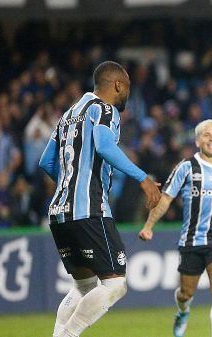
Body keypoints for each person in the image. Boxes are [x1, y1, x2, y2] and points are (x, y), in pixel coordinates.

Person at [39, 61, 161, 337]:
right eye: (127, 87)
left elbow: (46, 162)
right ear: (118, 85)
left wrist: (69, 184)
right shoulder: (104, 110)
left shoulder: (69, 114)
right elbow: (105, 146)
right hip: (88, 209)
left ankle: (59, 334)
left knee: (84, 287)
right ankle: (68, 336)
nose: (127, 93)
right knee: (115, 284)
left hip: (60, 211)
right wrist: (142, 177)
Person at [139, 119, 212, 337]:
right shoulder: (186, 167)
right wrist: (148, 226)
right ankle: (182, 312)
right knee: (185, 293)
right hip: (191, 241)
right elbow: (165, 199)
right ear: (198, 140)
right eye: (206, 135)